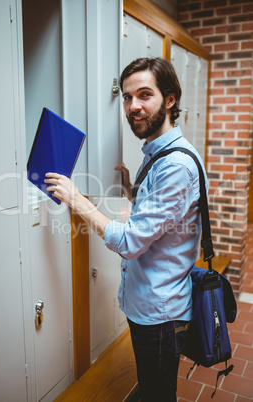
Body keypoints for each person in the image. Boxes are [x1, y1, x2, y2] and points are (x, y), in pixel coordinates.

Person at [45, 57, 207, 401]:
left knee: (158, 394)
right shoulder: (158, 153)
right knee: (153, 387)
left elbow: (132, 241)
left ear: (170, 99)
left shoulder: (175, 165)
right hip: (150, 305)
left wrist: (77, 200)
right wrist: (135, 190)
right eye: (128, 97)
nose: (134, 106)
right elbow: (163, 218)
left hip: (160, 314)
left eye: (145, 95)